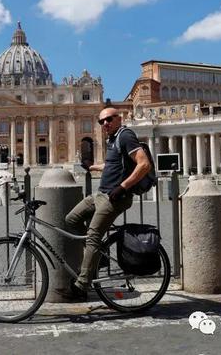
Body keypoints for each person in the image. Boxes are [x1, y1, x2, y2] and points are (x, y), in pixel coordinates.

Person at [63, 106, 152, 300]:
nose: (105, 124)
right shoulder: (112, 139)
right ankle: (98, 257)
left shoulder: (125, 135)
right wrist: (92, 166)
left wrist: (123, 187)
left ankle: (82, 284)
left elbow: (144, 164)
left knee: (93, 235)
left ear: (119, 118)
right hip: (101, 195)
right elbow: (112, 164)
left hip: (116, 197)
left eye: (109, 119)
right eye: (101, 121)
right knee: (71, 219)